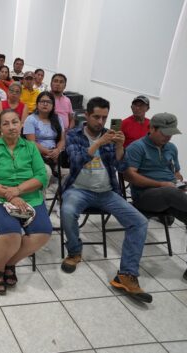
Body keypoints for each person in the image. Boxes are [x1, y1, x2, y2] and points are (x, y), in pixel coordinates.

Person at [60, 97, 151, 303]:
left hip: (107, 191)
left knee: (139, 221)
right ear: (87, 114)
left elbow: (121, 168)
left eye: (104, 118)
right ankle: (74, 251)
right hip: (79, 188)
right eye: (96, 117)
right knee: (67, 211)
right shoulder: (74, 134)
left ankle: (126, 274)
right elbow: (75, 162)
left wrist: (119, 147)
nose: (100, 122)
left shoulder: (111, 136)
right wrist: (99, 144)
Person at [0, 109, 51, 295]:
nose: (11, 127)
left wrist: (18, 190)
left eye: (15, 122)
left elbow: (41, 176)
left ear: (21, 124)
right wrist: (10, 195)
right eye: (6, 123)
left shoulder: (30, 147)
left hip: (30, 197)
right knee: (12, 233)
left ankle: (9, 263)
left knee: (43, 233)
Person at [124, 112, 187, 281]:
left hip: (170, 195)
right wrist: (163, 185)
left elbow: (176, 172)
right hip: (145, 196)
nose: (168, 137)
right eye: (165, 133)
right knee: (169, 191)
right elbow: (130, 176)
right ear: (152, 128)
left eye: (171, 134)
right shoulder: (137, 147)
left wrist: (179, 181)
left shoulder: (171, 148)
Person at [23, 92, 65, 176]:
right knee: (47, 172)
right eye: (42, 101)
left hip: (55, 155)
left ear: (53, 105)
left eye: (48, 102)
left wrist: (57, 151)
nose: (45, 104)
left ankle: (50, 189)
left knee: (67, 174)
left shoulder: (58, 119)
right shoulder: (29, 120)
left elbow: (62, 140)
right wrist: (47, 152)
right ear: (37, 104)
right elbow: (31, 142)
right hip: (36, 154)